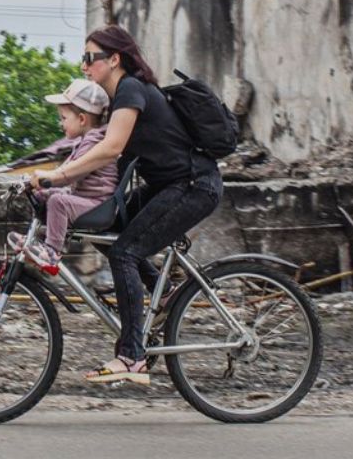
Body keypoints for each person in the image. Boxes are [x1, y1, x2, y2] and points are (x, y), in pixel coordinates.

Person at [26, 24, 222, 387]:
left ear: (114, 59)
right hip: (170, 186)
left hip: (193, 186)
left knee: (124, 253)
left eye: (90, 58)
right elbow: (87, 146)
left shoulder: (130, 88)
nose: (84, 67)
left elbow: (111, 148)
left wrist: (57, 177)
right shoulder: (121, 98)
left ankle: (131, 356)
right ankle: (164, 295)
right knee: (108, 228)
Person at [13, 79, 118, 273]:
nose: (61, 123)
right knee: (46, 196)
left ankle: (51, 251)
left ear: (82, 119)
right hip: (89, 199)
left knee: (58, 202)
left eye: (63, 118)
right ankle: (36, 241)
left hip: (97, 203)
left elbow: (67, 173)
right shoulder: (86, 140)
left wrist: (45, 178)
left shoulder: (93, 141)